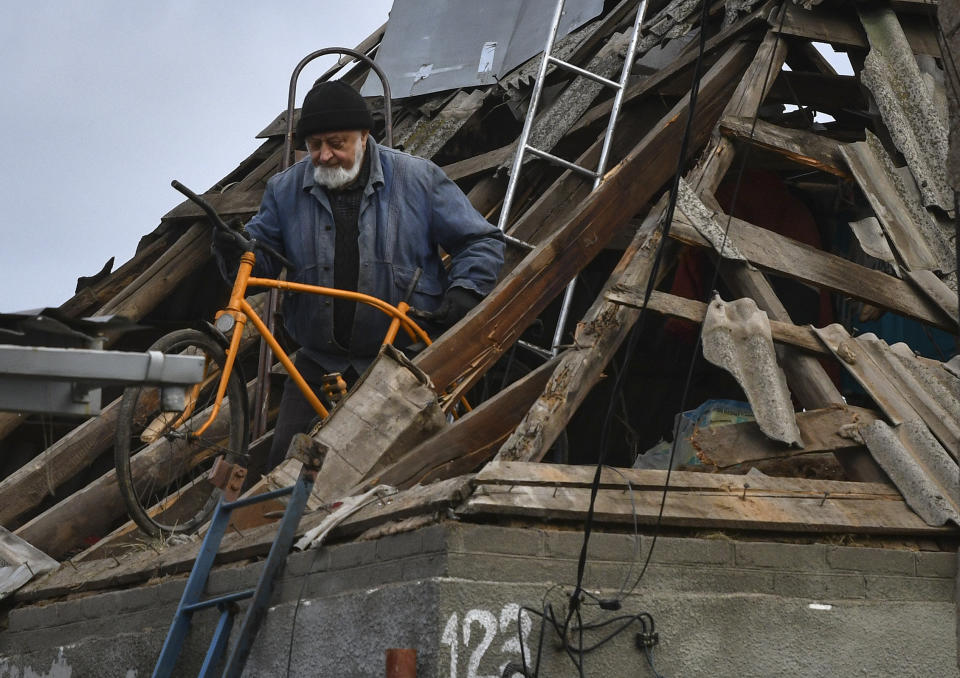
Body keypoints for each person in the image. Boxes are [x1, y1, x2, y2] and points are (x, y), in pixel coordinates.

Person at [212, 80, 504, 471]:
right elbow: (260, 260)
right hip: (318, 364)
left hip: (400, 361)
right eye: (315, 146)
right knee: (284, 474)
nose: (325, 155)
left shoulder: (417, 179)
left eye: (337, 143)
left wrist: (466, 291)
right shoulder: (284, 190)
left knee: (411, 471)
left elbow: (480, 240)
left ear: (365, 136)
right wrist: (237, 250)